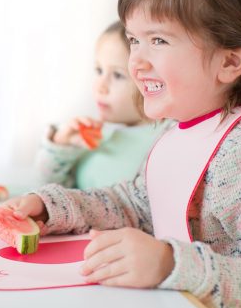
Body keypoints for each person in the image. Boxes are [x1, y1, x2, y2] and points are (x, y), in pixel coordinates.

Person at [0, 0, 241, 308]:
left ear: (230, 60)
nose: (136, 61)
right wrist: (54, 208)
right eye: (134, 40)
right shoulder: (179, 130)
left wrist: (170, 264)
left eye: (158, 40)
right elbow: (137, 206)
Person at [36, 21, 168, 189]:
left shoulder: (164, 140)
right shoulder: (95, 133)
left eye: (118, 75)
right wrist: (61, 146)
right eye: (99, 71)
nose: (100, 86)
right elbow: (51, 188)